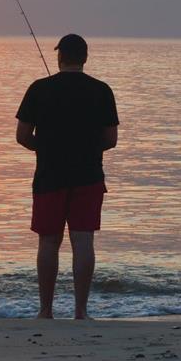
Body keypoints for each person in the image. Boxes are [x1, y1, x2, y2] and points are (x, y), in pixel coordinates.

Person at [15, 33, 118, 320]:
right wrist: (87, 148)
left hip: (49, 176)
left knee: (48, 242)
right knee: (83, 242)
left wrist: (45, 148)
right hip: (89, 176)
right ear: (85, 58)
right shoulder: (102, 90)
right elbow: (111, 139)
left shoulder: (39, 89)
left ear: (60, 57)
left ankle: (45, 310)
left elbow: (22, 136)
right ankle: (81, 311)